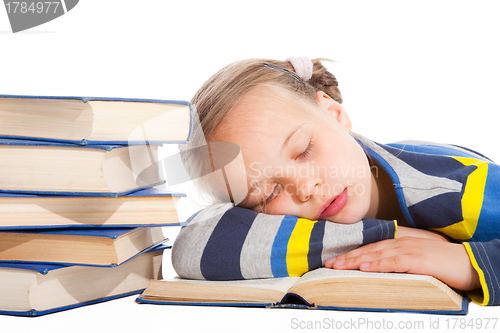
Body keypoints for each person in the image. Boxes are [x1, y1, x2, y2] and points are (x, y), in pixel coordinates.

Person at [172, 57, 500, 306]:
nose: (304, 187)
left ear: (334, 115)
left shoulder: (461, 191)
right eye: (268, 194)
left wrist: (470, 264)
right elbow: (193, 248)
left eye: (303, 151)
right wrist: (381, 238)